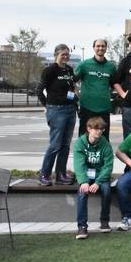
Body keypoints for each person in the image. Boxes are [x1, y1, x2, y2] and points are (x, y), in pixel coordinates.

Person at [36, 43, 78, 186]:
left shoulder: (69, 70)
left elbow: (72, 87)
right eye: (63, 54)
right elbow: (39, 91)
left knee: (65, 145)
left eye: (67, 54)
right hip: (56, 110)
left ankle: (60, 174)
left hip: (70, 110)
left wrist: (76, 101)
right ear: (56, 55)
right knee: (55, 145)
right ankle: (44, 174)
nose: (65, 57)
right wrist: (47, 105)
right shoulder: (49, 70)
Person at [73, 116, 114, 239]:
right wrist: (84, 181)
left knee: (106, 190)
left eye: (101, 129)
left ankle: (104, 221)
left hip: (100, 176)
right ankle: (82, 226)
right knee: (82, 193)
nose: (99, 131)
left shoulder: (105, 144)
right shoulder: (80, 143)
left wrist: (97, 182)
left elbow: (108, 166)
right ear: (88, 129)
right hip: (86, 175)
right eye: (96, 129)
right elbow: (78, 164)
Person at [74, 38, 117, 141]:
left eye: (103, 46)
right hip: (87, 108)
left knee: (104, 139)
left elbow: (115, 84)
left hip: (104, 108)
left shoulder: (111, 67)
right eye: (98, 46)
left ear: (106, 48)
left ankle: (102, 157)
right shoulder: (84, 65)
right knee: (84, 138)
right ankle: (83, 157)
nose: (100, 48)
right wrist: (78, 97)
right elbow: (72, 81)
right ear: (94, 48)